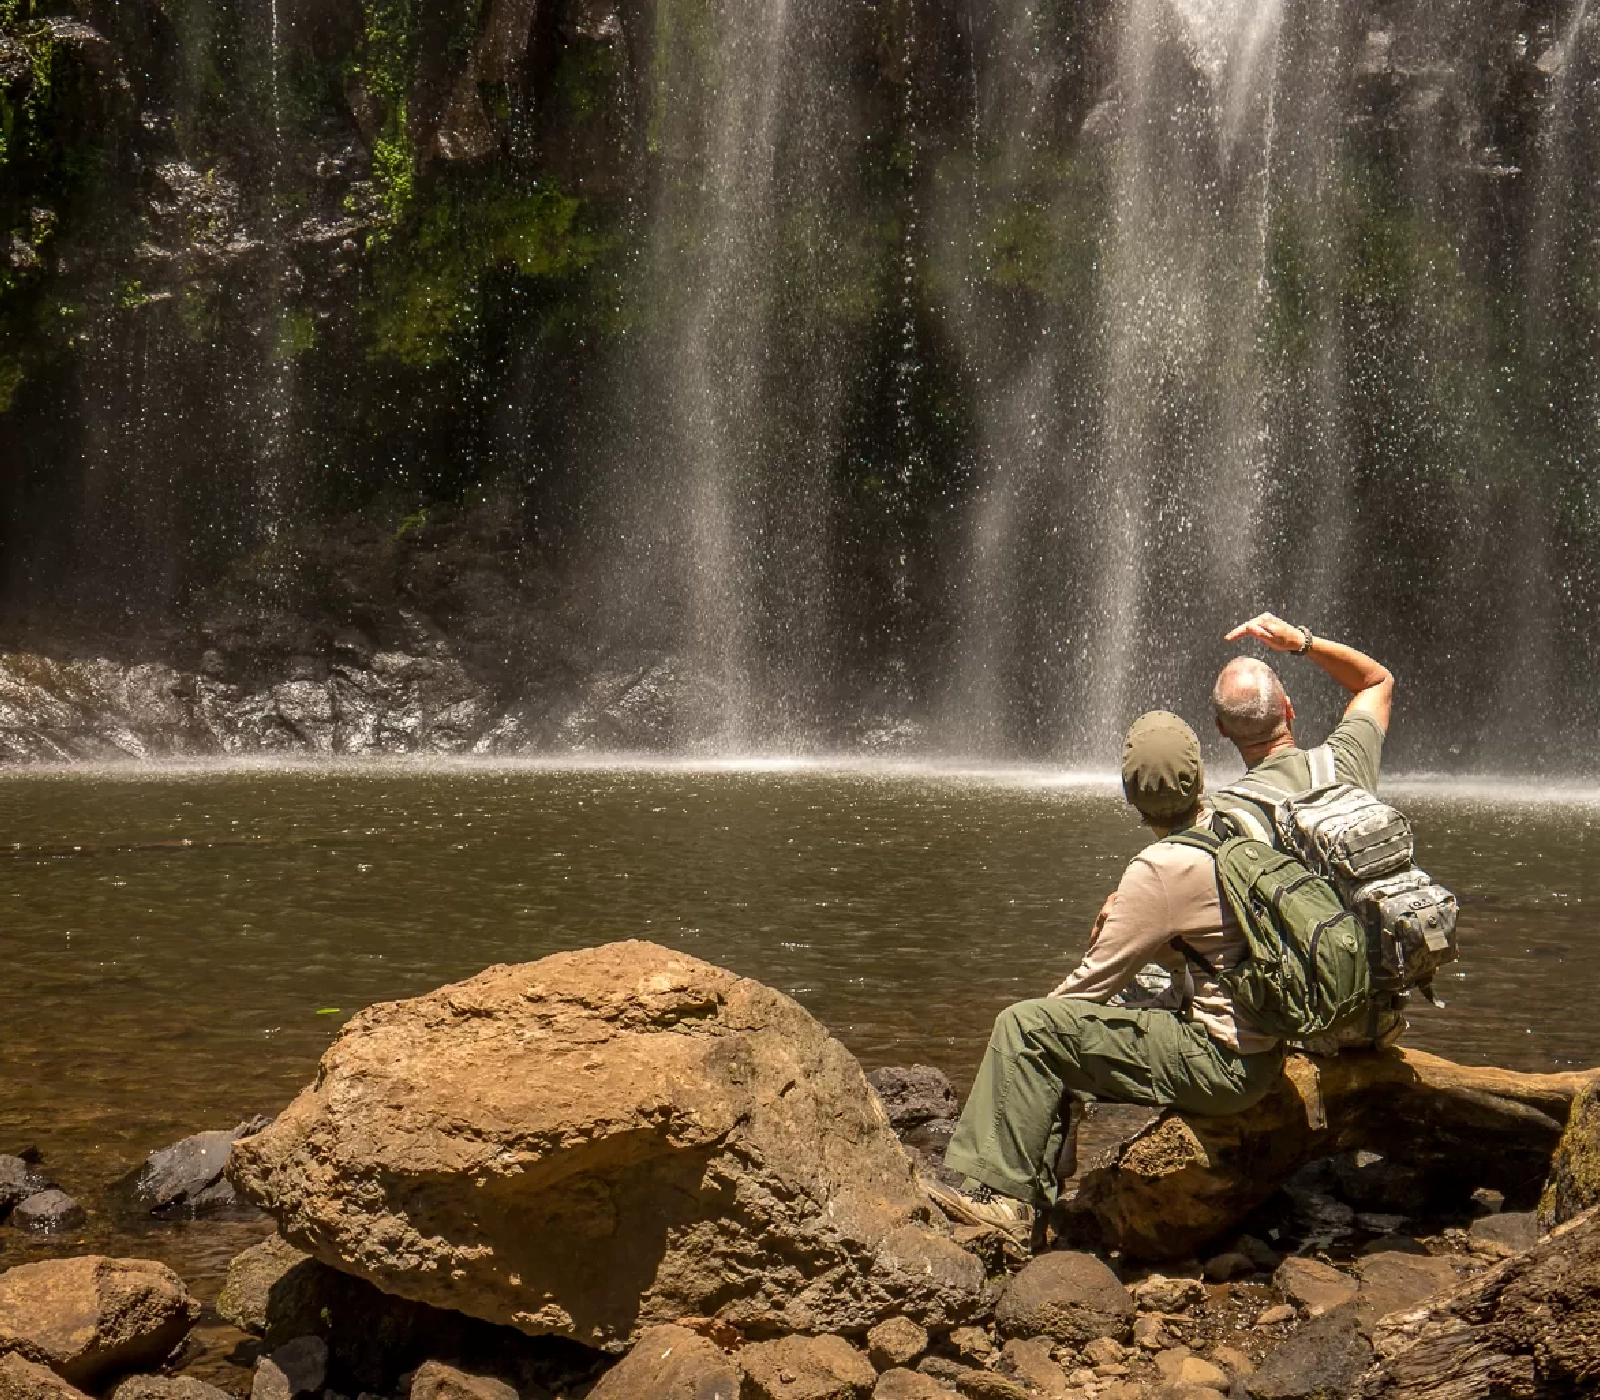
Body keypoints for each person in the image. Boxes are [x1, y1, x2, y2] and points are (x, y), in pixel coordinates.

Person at [930, 710, 1287, 1248]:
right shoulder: (1240, 827)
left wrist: (1030, 1051)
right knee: (1118, 997)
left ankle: (1005, 1202)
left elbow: (1085, 989)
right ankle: (1051, 1158)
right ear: (1201, 779)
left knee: (1025, 1029)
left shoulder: (1161, 868)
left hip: (1225, 1066)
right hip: (1263, 1042)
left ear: (1130, 795)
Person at [1211, 611, 1394, 811]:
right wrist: (1301, 641)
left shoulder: (1223, 812)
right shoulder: (1345, 760)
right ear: (1289, 708)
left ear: (1221, 728)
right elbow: (1377, 682)